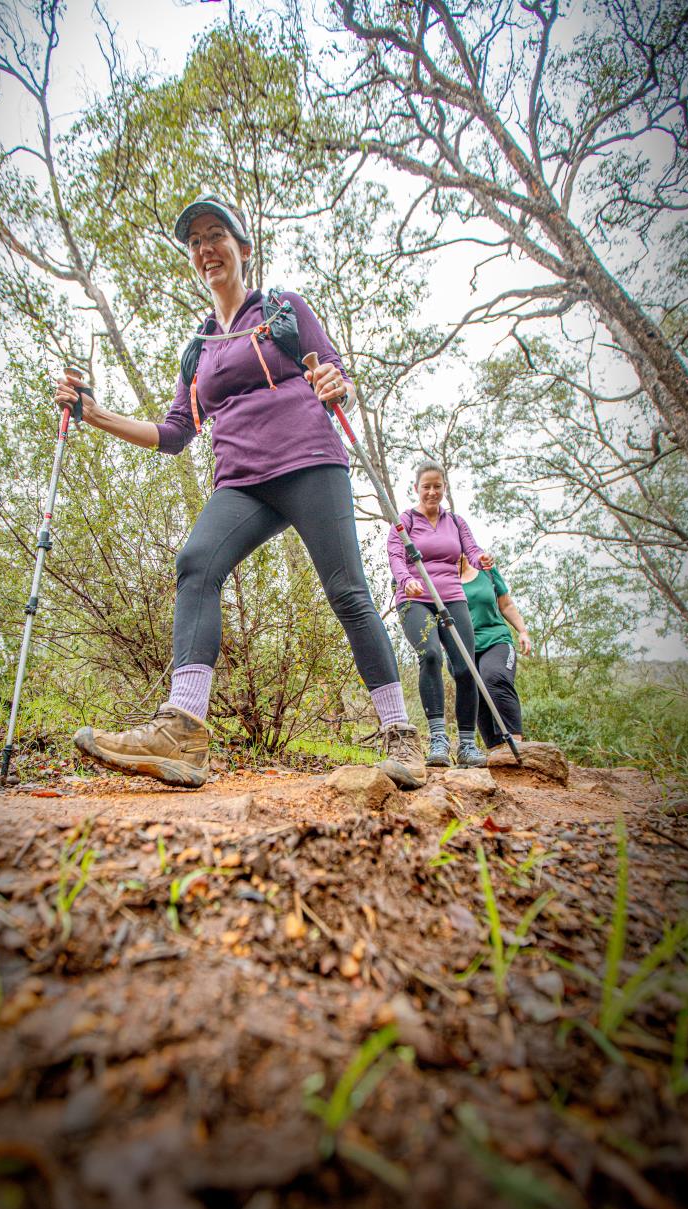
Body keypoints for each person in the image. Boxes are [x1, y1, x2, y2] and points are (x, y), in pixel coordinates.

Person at [55, 192, 426, 790]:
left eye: (215, 235)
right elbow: (174, 434)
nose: (205, 249)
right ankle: (184, 731)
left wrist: (335, 381)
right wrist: (93, 414)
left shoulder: (281, 308)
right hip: (241, 482)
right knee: (196, 563)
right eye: (195, 242)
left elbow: (332, 369)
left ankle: (400, 735)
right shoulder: (198, 352)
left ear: (242, 248)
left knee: (347, 591)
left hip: (309, 462)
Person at [388, 462, 492, 768]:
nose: (432, 492)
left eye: (437, 486)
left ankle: (467, 745)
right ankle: (437, 739)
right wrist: (407, 580)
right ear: (416, 489)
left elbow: (471, 551)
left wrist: (481, 558)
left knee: (465, 667)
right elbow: (396, 557)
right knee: (431, 654)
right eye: (426, 486)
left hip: (452, 596)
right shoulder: (404, 521)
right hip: (415, 597)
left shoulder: (456, 523)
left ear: (444, 487)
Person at [459, 557, 531, 749]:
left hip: (496, 640)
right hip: (463, 648)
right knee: (476, 695)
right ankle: (496, 751)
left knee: (494, 677)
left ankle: (515, 744)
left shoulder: (487, 571)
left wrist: (522, 631)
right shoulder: (441, 579)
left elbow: (506, 605)